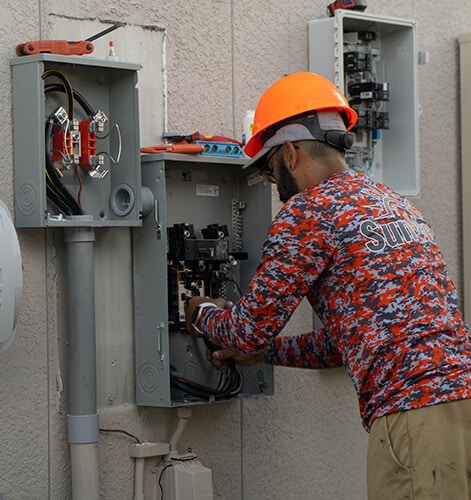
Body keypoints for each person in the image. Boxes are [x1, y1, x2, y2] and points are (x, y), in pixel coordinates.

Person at [184, 72, 471, 499]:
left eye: (270, 168)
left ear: (291, 152)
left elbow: (246, 329)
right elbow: (347, 342)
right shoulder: (393, 204)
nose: (275, 185)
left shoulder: (307, 211)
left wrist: (200, 313)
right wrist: (267, 353)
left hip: (414, 416)